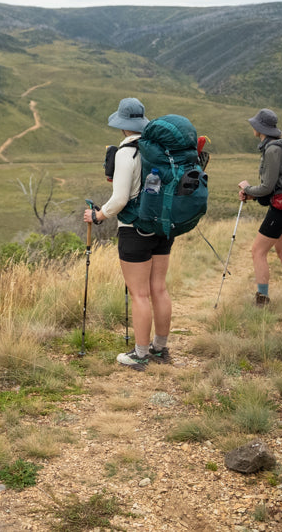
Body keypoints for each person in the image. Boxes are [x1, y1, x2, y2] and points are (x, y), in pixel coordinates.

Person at [83, 97, 174, 368]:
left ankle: (140, 354)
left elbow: (120, 199)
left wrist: (97, 216)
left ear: (123, 125)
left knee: (139, 294)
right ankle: (160, 349)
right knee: (159, 288)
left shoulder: (126, 153)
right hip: (162, 226)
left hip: (135, 231)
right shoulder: (158, 149)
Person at [237, 109, 282, 305]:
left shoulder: (273, 149)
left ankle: (262, 298)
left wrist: (247, 188)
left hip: (280, 209)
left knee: (258, 251)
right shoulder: (279, 146)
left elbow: (267, 186)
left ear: (260, 128)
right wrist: (252, 194)